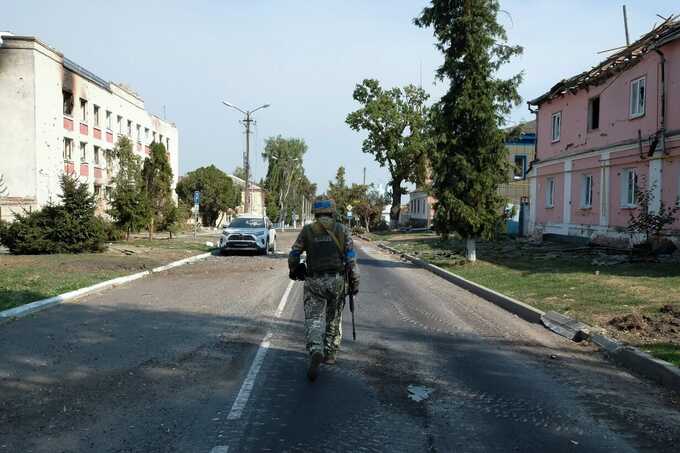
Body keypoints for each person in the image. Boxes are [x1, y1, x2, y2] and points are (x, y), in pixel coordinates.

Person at [288, 197, 360, 382]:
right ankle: (330, 355)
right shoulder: (342, 230)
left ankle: (316, 350)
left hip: (314, 282)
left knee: (313, 319)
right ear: (332, 211)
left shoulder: (308, 231)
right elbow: (351, 261)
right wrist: (354, 283)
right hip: (336, 281)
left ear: (315, 212)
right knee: (334, 317)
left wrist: (294, 269)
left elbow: (294, 254)